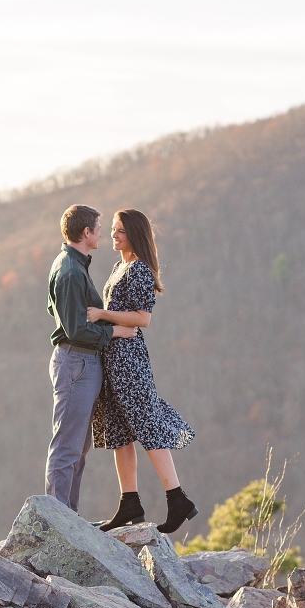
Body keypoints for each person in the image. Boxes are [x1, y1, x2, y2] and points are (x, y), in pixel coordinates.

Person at [89, 208, 198, 534]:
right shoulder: (119, 266)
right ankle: (130, 503)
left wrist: (101, 314)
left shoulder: (139, 270)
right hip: (113, 358)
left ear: (134, 234)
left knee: (147, 426)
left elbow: (142, 318)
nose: (113, 235)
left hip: (130, 361)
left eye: (120, 230)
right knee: (119, 432)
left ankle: (177, 498)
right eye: (112, 229)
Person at [45, 204, 137, 511]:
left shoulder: (73, 265)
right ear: (86, 233)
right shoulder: (70, 271)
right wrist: (116, 333)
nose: (103, 233)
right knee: (67, 447)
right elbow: (76, 329)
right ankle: (58, 519)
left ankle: (67, 516)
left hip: (80, 363)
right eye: (99, 228)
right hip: (76, 363)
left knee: (78, 447)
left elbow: (55, 310)